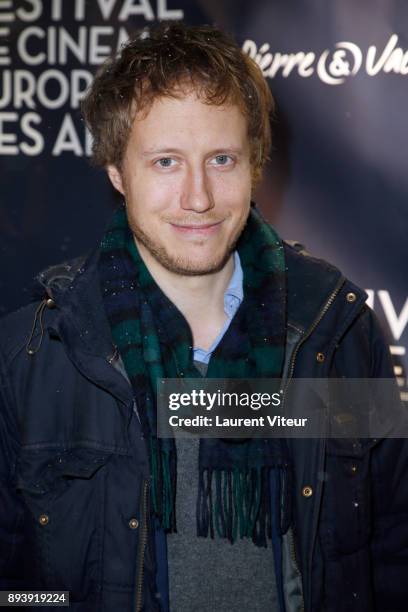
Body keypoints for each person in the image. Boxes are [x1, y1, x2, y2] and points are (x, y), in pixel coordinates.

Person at [0, 21, 406, 612]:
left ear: (255, 164)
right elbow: (14, 588)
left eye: (221, 158)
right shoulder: (32, 356)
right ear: (117, 172)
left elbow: (393, 549)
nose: (198, 198)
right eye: (165, 162)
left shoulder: (336, 331)